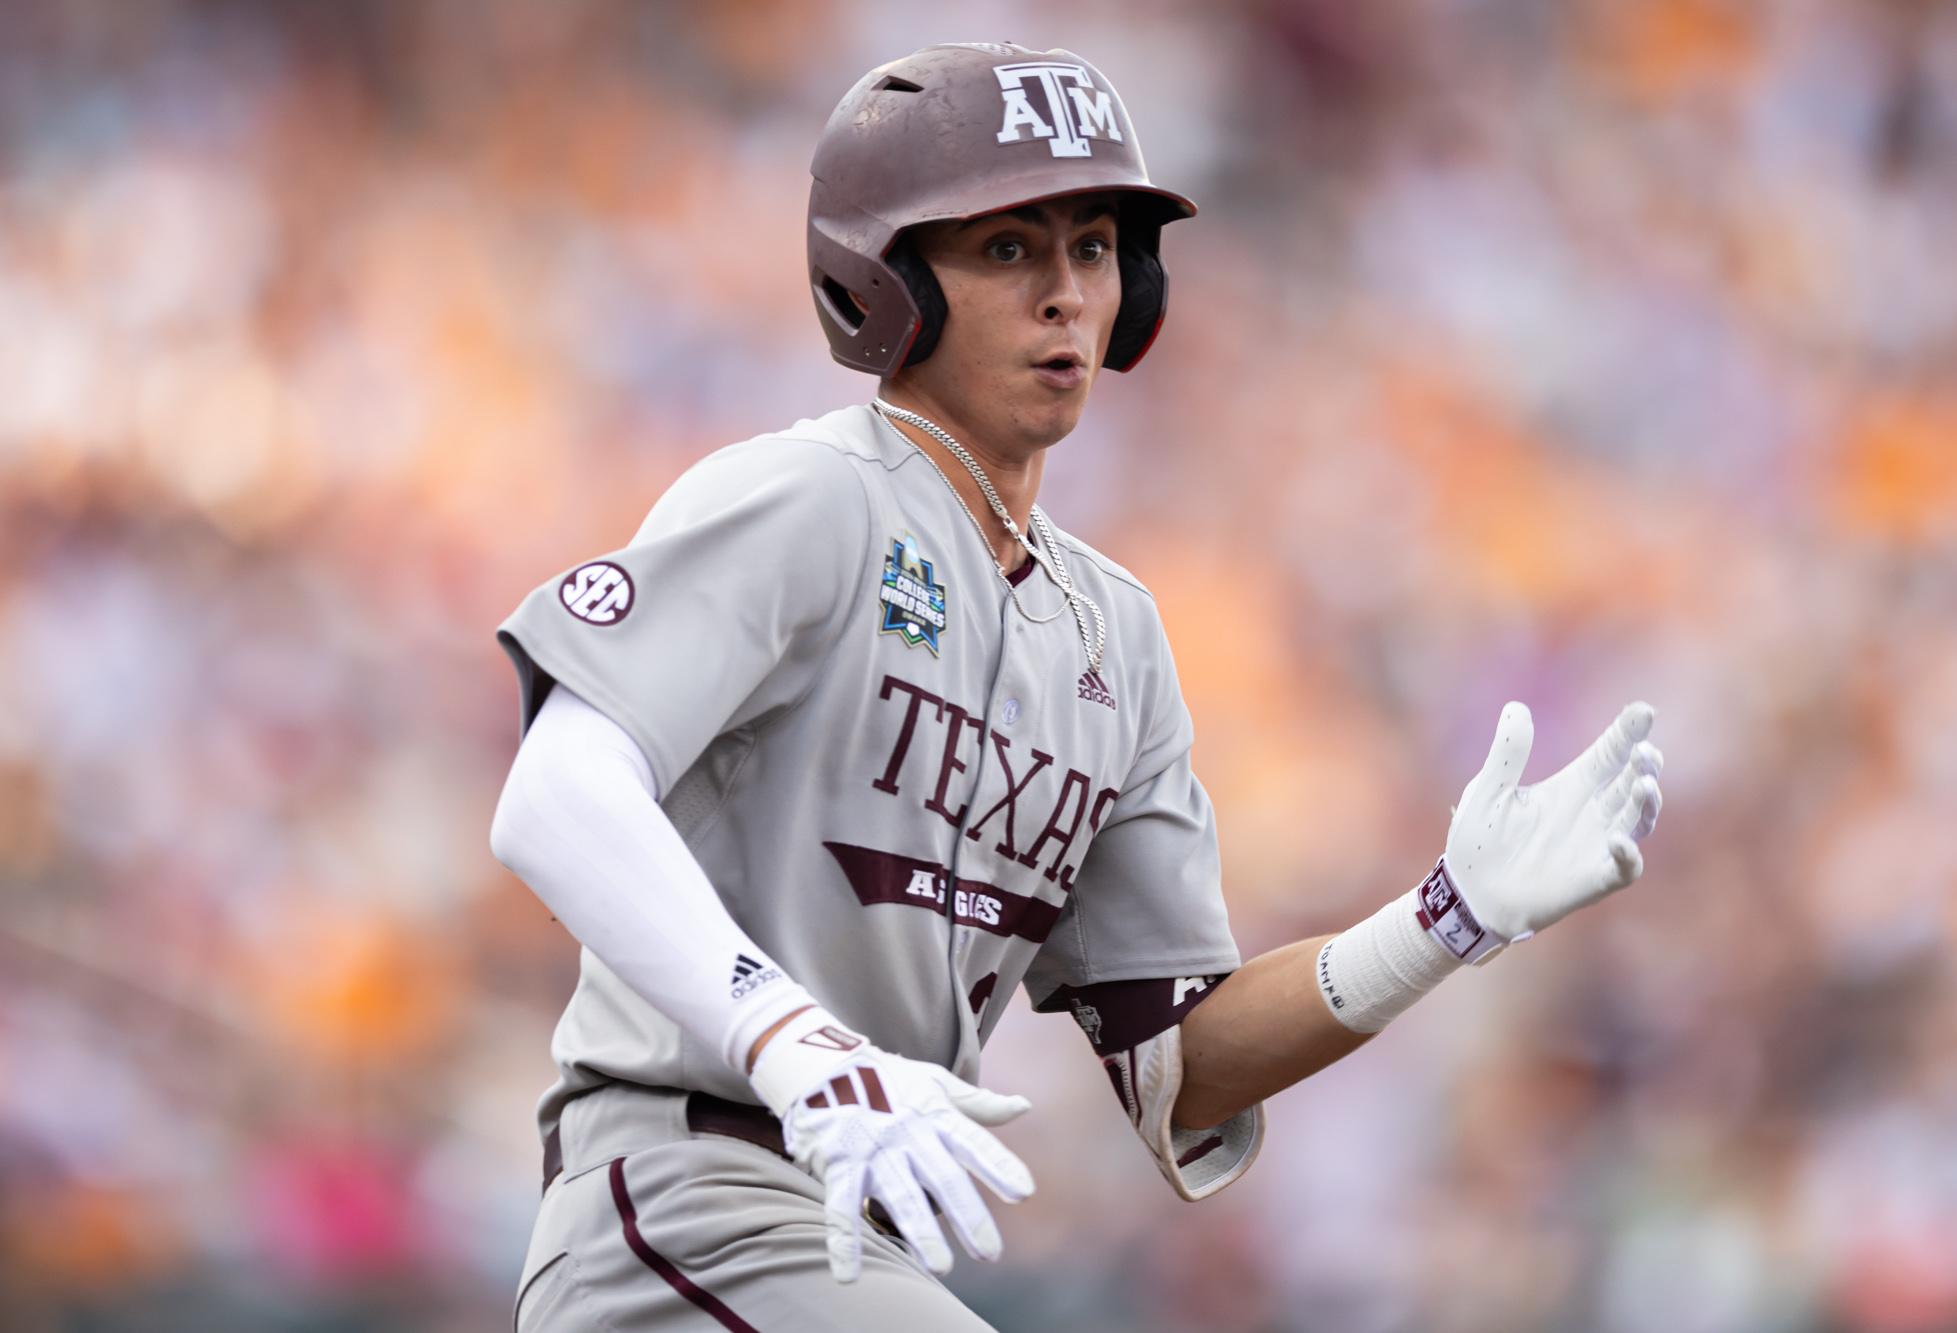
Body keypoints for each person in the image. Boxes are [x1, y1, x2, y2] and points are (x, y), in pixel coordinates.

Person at [490, 41, 1665, 1333]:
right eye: (1008, 249)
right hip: (685, 1199)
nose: (1065, 296)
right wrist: (792, 1039)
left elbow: (1184, 1060)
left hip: (856, 1236)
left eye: (1095, 248)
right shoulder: (808, 495)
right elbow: (553, 794)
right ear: (889, 283)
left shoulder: (1116, 632)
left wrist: (1444, 921)